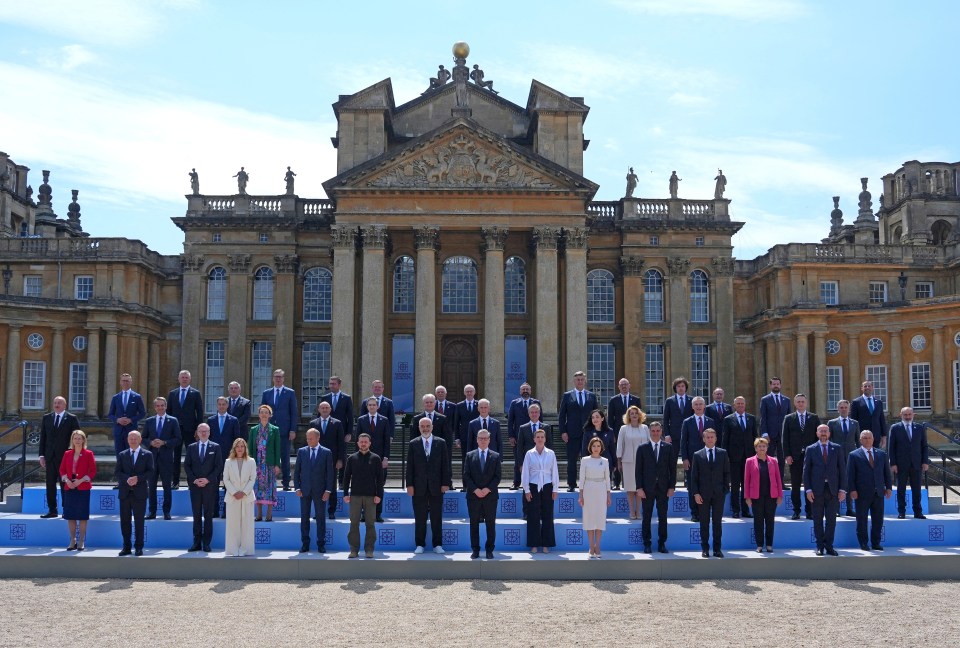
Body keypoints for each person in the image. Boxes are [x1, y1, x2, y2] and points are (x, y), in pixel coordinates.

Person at [406, 417, 451, 554]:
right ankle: (420, 544)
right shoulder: (413, 443)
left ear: (432, 427)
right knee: (420, 517)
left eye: (427, 426)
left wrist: (445, 483)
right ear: (419, 428)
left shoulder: (441, 443)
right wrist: (409, 485)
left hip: (437, 486)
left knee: (437, 517)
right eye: (422, 426)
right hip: (418, 486)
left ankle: (437, 544)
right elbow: (410, 467)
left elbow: (445, 464)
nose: (425, 429)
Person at [803, 424, 846, 556]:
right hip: (816, 490)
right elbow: (806, 471)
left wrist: (843, 490)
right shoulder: (811, 449)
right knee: (817, 519)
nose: (823, 433)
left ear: (829, 433)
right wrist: (808, 490)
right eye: (821, 431)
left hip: (833, 490)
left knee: (831, 520)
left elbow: (842, 470)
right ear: (817, 433)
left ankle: (829, 546)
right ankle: (819, 546)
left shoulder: (837, 448)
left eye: (825, 431)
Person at [847, 430, 893, 551]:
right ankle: (863, 543)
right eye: (865, 438)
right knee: (861, 520)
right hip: (861, 493)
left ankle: (876, 543)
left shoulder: (882, 454)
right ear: (860, 440)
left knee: (878, 519)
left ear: (873, 439)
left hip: (878, 492)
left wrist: (888, 487)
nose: (867, 440)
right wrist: (852, 489)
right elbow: (850, 475)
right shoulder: (854, 455)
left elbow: (887, 473)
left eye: (869, 438)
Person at [635, 422, 675, 553]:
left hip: (663, 488)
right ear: (649, 432)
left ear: (661, 431)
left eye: (658, 430)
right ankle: (647, 543)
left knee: (663, 516)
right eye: (653, 430)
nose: (655, 433)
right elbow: (638, 470)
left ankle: (662, 543)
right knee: (646, 516)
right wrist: (639, 488)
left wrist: (671, 487)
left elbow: (672, 469)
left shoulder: (668, 448)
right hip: (647, 488)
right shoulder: (642, 448)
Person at [689, 428, 730, 558]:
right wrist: (696, 493)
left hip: (718, 494)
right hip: (703, 495)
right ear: (704, 439)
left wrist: (724, 490)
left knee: (717, 522)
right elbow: (694, 477)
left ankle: (717, 549)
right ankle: (705, 548)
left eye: (712, 437)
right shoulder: (697, 455)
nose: (710, 439)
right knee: (704, 523)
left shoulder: (723, 453)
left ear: (716, 438)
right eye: (708, 437)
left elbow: (726, 473)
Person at [343, 432, 384, 558]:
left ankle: (369, 550)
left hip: (371, 496)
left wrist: (379, 495)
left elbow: (380, 479)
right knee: (354, 522)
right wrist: (345, 493)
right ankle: (354, 550)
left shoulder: (376, 458)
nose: (363, 444)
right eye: (361, 441)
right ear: (357, 443)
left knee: (370, 523)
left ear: (369, 443)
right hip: (355, 496)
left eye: (366, 441)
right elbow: (346, 477)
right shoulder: (352, 458)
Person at [38, 395, 80, 518]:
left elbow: (77, 439)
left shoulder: (72, 418)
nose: (56, 405)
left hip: (66, 458)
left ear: (64, 405)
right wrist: (41, 455)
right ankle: (52, 510)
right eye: (55, 402)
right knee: (50, 484)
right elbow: (43, 438)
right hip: (50, 457)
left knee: (65, 484)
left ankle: (66, 510)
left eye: (59, 403)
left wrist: (75, 455)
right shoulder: (47, 418)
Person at [294, 428, 335, 553]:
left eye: (310, 438)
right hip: (304, 490)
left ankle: (321, 544)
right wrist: (297, 487)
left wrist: (328, 490)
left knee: (321, 518)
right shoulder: (301, 451)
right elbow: (297, 472)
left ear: (318, 438)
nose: (308, 440)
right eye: (307, 438)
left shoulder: (327, 452)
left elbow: (330, 474)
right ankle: (305, 544)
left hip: (320, 491)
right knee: (304, 517)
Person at [463, 429, 501, 559]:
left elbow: (497, 477)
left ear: (489, 440)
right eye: (481, 438)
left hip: (490, 496)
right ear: (477, 439)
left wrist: (487, 489)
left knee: (490, 524)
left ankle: (489, 549)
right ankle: (475, 549)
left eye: (485, 438)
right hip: (473, 496)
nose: (483, 440)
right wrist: (475, 490)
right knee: (474, 523)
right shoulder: (469, 455)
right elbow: (466, 475)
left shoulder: (495, 456)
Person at [116, 430, 155, 556]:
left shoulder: (147, 454)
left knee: (139, 521)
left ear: (140, 440)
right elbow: (118, 472)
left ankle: (139, 547)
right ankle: (126, 546)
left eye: (135, 438)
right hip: (125, 493)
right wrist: (127, 479)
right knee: (125, 522)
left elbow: (150, 472)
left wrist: (138, 478)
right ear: (128, 440)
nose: (133, 440)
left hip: (140, 493)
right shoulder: (122, 454)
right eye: (131, 438)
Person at [184, 423, 222, 552]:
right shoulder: (191, 447)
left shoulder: (216, 447)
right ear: (197, 433)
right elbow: (187, 466)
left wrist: (208, 479)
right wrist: (195, 480)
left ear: (209, 432)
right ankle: (196, 543)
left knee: (208, 515)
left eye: (205, 431)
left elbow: (218, 467)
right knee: (196, 515)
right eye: (201, 431)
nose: (203, 433)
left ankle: (206, 543)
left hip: (209, 487)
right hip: (195, 487)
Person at [142, 396, 181, 520]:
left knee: (167, 487)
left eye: (162, 405)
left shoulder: (173, 421)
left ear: (166, 406)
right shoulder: (149, 421)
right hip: (152, 459)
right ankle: (152, 512)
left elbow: (178, 439)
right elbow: (143, 438)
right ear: (155, 407)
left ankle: (166, 512)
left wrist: (164, 442)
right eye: (157, 406)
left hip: (167, 458)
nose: (160, 408)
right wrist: (151, 443)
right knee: (151, 486)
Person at [557, 371, 598, 491]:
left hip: (589, 433)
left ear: (585, 381)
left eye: (582, 379)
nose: (580, 381)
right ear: (574, 381)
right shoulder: (567, 396)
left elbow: (596, 415)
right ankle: (571, 484)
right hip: (572, 433)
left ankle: (588, 483)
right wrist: (563, 431)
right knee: (572, 460)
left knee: (590, 459)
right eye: (577, 380)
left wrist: (597, 431)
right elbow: (561, 415)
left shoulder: (592, 396)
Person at [783, 394, 821, 520]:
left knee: (810, 484)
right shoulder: (789, 418)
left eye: (802, 401)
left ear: (806, 403)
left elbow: (818, 438)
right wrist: (787, 455)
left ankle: (810, 511)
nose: (800, 404)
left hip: (811, 457)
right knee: (795, 484)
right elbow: (785, 438)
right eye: (798, 402)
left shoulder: (814, 418)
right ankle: (796, 510)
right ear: (795, 403)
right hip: (795, 457)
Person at [521, 429, 559, 553]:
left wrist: (555, 488)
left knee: (548, 515)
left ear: (545, 439)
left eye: (542, 437)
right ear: (534, 439)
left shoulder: (551, 453)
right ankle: (534, 544)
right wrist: (526, 490)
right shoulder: (529, 453)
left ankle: (546, 544)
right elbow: (525, 472)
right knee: (533, 515)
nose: (540, 439)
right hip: (533, 485)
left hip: (547, 485)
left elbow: (555, 471)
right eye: (538, 437)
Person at [888, 406, 929, 519]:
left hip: (916, 463)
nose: (907, 417)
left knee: (917, 489)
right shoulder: (895, 428)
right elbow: (891, 447)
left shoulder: (919, 428)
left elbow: (924, 446)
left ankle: (918, 511)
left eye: (909, 414)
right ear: (901, 415)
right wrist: (893, 463)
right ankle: (902, 511)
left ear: (913, 415)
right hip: (901, 464)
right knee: (901, 489)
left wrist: (925, 461)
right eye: (905, 415)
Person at [720, 396, 758, 518]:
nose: (740, 405)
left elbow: (755, 438)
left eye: (742, 403)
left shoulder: (751, 418)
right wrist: (725, 456)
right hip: (734, 457)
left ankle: (746, 510)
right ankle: (736, 510)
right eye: (738, 404)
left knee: (747, 485)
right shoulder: (728, 419)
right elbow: (725, 439)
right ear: (734, 405)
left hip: (749, 457)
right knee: (735, 485)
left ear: (745, 404)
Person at [260, 369, 298, 491]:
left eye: (280, 377)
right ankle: (267, 481)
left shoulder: (290, 393)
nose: (278, 379)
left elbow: (293, 413)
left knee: (285, 457)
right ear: (273, 378)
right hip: (269, 430)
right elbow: (262, 412)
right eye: (276, 377)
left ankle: (286, 482)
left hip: (285, 430)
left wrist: (293, 429)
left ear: (283, 378)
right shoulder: (267, 393)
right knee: (268, 456)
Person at [743, 437, 783, 553]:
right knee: (758, 521)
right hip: (756, 497)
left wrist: (779, 495)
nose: (762, 448)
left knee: (770, 521)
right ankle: (759, 545)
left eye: (764, 446)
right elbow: (746, 480)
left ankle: (769, 544)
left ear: (767, 448)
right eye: (759, 446)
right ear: (755, 448)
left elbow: (778, 479)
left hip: (771, 496)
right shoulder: (749, 461)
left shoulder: (773, 461)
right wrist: (747, 497)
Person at [58, 430, 95, 551]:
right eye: (75, 438)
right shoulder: (67, 454)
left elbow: (92, 471)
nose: (77, 441)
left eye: (80, 438)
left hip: (82, 487)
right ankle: (72, 540)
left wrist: (80, 480)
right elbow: (62, 470)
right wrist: (67, 480)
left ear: (83, 440)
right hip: (69, 486)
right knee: (71, 516)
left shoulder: (89, 453)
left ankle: (81, 541)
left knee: (82, 516)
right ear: (72, 440)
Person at [356, 397, 391, 522]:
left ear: (378, 407)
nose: (371, 407)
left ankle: (377, 514)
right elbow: (357, 441)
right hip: (365, 458)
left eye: (373, 405)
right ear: (367, 407)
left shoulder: (384, 420)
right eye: (369, 405)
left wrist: (385, 458)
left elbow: (387, 441)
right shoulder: (361, 420)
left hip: (380, 459)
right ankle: (364, 514)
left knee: (378, 487)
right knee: (363, 487)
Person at [308, 400, 345, 520]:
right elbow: (309, 442)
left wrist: (340, 459)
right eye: (322, 408)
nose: (324, 410)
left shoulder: (337, 423)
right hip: (317, 460)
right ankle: (318, 511)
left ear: (330, 410)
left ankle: (331, 511)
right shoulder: (313, 423)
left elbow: (341, 443)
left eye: (326, 408)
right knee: (317, 486)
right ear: (318, 410)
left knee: (331, 485)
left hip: (332, 460)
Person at [168, 370, 204, 489]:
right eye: (182, 377)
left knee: (192, 456)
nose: (184, 379)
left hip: (191, 430)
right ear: (178, 379)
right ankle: (175, 481)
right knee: (175, 456)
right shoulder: (173, 394)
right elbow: (169, 412)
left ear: (190, 379)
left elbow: (199, 412)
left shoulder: (195, 393)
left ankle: (191, 481)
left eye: (186, 377)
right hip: (176, 431)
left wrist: (198, 430)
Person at [517, 403, 552, 520]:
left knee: (542, 488)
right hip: (529, 463)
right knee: (527, 487)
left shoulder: (546, 427)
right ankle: (526, 512)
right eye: (532, 412)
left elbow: (550, 446)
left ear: (539, 413)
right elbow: (520, 447)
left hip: (543, 464)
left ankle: (541, 512)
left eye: (536, 412)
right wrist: (521, 464)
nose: (534, 414)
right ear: (528, 414)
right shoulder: (523, 428)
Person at [223, 438, 257, 557]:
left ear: (245, 448)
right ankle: (232, 550)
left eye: (242, 446)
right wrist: (234, 492)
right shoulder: (228, 462)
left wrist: (244, 492)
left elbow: (252, 478)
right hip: (232, 497)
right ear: (234, 448)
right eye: (238, 446)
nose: (240, 448)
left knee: (247, 525)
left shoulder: (251, 461)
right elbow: (225, 479)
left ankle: (246, 550)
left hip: (247, 497)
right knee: (232, 524)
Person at [579, 437, 611, 558]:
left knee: (599, 518)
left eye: (598, 446)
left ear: (601, 447)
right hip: (588, 490)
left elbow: (608, 478)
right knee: (589, 518)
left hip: (601, 490)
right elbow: (582, 478)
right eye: (594, 446)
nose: (596, 448)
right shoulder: (585, 460)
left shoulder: (605, 461)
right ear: (590, 447)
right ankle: (591, 546)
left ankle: (598, 546)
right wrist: (580, 495)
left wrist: (608, 494)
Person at [828, 399, 861, 516]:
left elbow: (858, 440)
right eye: (841, 407)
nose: (843, 409)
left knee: (849, 481)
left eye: (845, 407)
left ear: (849, 409)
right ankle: (836, 509)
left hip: (851, 456)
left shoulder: (855, 423)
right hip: (836, 457)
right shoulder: (832, 423)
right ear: (838, 409)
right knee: (836, 482)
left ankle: (849, 508)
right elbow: (829, 440)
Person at [680, 396, 710, 522]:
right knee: (692, 486)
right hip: (692, 459)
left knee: (706, 485)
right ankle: (694, 513)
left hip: (707, 459)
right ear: (692, 407)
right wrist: (685, 458)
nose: (698, 406)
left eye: (700, 404)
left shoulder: (710, 421)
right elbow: (683, 442)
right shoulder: (687, 422)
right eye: (696, 404)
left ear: (704, 406)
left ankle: (705, 511)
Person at [616, 405, 649, 519]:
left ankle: (638, 511)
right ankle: (631, 511)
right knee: (630, 487)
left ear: (639, 415)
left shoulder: (644, 428)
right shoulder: (623, 429)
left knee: (640, 487)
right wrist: (619, 461)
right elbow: (620, 445)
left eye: (636, 413)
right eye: (631, 413)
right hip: (628, 461)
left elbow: (649, 444)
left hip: (643, 462)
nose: (634, 415)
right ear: (628, 416)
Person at [608, 378, 641, 490]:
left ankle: (634, 483)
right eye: (621, 385)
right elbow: (610, 419)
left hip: (633, 433)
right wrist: (611, 434)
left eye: (625, 384)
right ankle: (617, 483)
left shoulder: (636, 399)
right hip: (618, 433)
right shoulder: (613, 400)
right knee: (618, 456)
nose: (624, 386)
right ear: (618, 387)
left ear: (629, 386)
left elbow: (640, 416)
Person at [250, 404, 281, 521]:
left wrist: (277, 464)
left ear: (270, 415)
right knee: (257, 488)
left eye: (266, 412)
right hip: (257, 463)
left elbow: (277, 448)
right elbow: (251, 447)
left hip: (269, 463)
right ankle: (258, 514)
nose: (264, 414)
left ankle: (269, 513)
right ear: (259, 415)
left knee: (269, 488)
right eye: (262, 412)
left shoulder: (275, 430)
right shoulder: (253, 430)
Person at [411, 394, 453, 477]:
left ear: (435, 403)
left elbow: (447, 438)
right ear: (423, 403)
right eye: (427, 402)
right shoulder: (417, 419)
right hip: (421, 452)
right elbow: (413, 437)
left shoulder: (443, 418)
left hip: (438, 451)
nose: (429, 404)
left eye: (431, 402)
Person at [758, 377, 791, 483]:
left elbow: (789, 418)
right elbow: (763, 417)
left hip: (783, 435)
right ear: (770, 386)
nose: (776, 386)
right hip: (770, 435)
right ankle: (769, 482)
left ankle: (780, 482)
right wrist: (764, 433)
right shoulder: (765, 400)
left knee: (781, 460)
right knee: (769, 459)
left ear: (780, 385)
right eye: (774, 384)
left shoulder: (786, 400)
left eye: (777, 384)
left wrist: (788, 433)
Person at [507, 383, 539, 489]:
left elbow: (540, 419)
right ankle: (516, 483)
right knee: (518, 460)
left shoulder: (536, 403)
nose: (525, 391)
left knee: (534, 460)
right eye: (523, 389)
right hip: (518, 437)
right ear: (520, 391)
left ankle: (534, 482)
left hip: (533, 437)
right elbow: (510, 420)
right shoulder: (514, 403)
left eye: (527, 389)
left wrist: (540, 436)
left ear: (530, 391)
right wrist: (511, 436)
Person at [108, 373, 146, 460]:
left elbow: (142, 413)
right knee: (120, 455)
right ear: (120, 382)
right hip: (119, 431)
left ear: (131, 382)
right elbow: (110, 414)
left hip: (132, 431)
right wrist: (117, 420)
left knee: (132, 455)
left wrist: (131, 420)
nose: (125, 382)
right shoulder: (116, 397)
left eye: (127, 381)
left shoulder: (137, 397)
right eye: (123, 381)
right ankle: (120, 473)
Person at [850, 380, 887, 449]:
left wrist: (884, 436)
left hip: (875, 437)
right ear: (862, 388)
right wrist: (854, 437)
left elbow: (882, 420)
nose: (867, 388)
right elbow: (853, 420)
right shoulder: (856, 402)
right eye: (865, 386)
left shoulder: (878, 402)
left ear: (872, 388)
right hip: (862, 437)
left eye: (869, 386)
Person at [662, 377, 693, 458]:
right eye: (678, 386)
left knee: (688, 458)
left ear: (686, 387)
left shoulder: (692, 400)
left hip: (689, 433)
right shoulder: (670, 401)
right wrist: (667, 435)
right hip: (673, 435)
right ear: (675, 388)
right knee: (672, 458)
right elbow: (665, 419)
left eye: (682, 386)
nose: (681, 388)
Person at [208, 396, 241, 470]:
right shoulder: (211, 420)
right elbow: (209, 437)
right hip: (214, 451)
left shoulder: (234, 420)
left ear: (227, 405)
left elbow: (236, 437)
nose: (221, 406)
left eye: (223, 404)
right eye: (219, 404)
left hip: (228, 451)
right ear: (217, 405)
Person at [454, 384, 479, 460]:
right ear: (464, 393)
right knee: (465, 459)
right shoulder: (459, 405)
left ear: (474, 392)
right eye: (467, 391)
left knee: (476, 459)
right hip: (464, 437)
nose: (469, 393)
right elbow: (456, 423)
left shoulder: (479, 404)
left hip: (477, 436)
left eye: (471, 391)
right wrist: (457, 438)